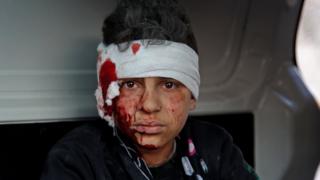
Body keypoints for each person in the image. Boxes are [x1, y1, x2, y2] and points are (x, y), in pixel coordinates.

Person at [41, 0, 259, 179]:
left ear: (192, 95)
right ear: (109, 98)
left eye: (169, 84)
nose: (149, 105)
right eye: (131, 84)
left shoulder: (214, 145)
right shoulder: (77, 160)